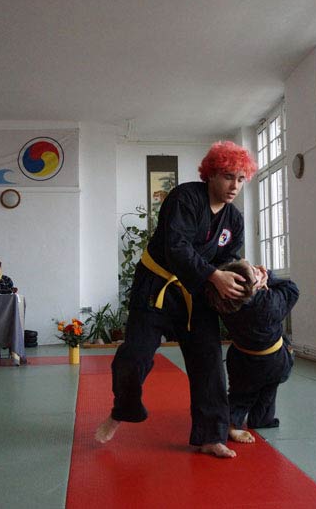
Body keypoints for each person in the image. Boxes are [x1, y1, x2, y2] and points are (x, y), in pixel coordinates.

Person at [95, 141, 257, 458]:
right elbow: (176, 247)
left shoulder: (234, 219)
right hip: (156, 287)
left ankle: (211, 436)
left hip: (197, 293)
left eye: (240, 179)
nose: (234, 186)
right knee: (134, 357)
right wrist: (214, 275)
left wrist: (249, 273)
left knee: (209, 363)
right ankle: (122, 410)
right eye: (228, 177)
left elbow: (228, 258)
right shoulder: (185, 198)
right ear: (211, 174)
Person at [204, 259, 299, 444]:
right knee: (269, 387)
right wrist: (269, 276)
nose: (258, 269)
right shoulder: (268, 304)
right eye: (254, 271)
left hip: (241, 358)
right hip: (274, 361)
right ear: (252, 288)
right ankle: (253, 420)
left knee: (241, 392)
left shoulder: (225, 300)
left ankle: (235, 420)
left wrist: (256, 280)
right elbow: (291, 289)